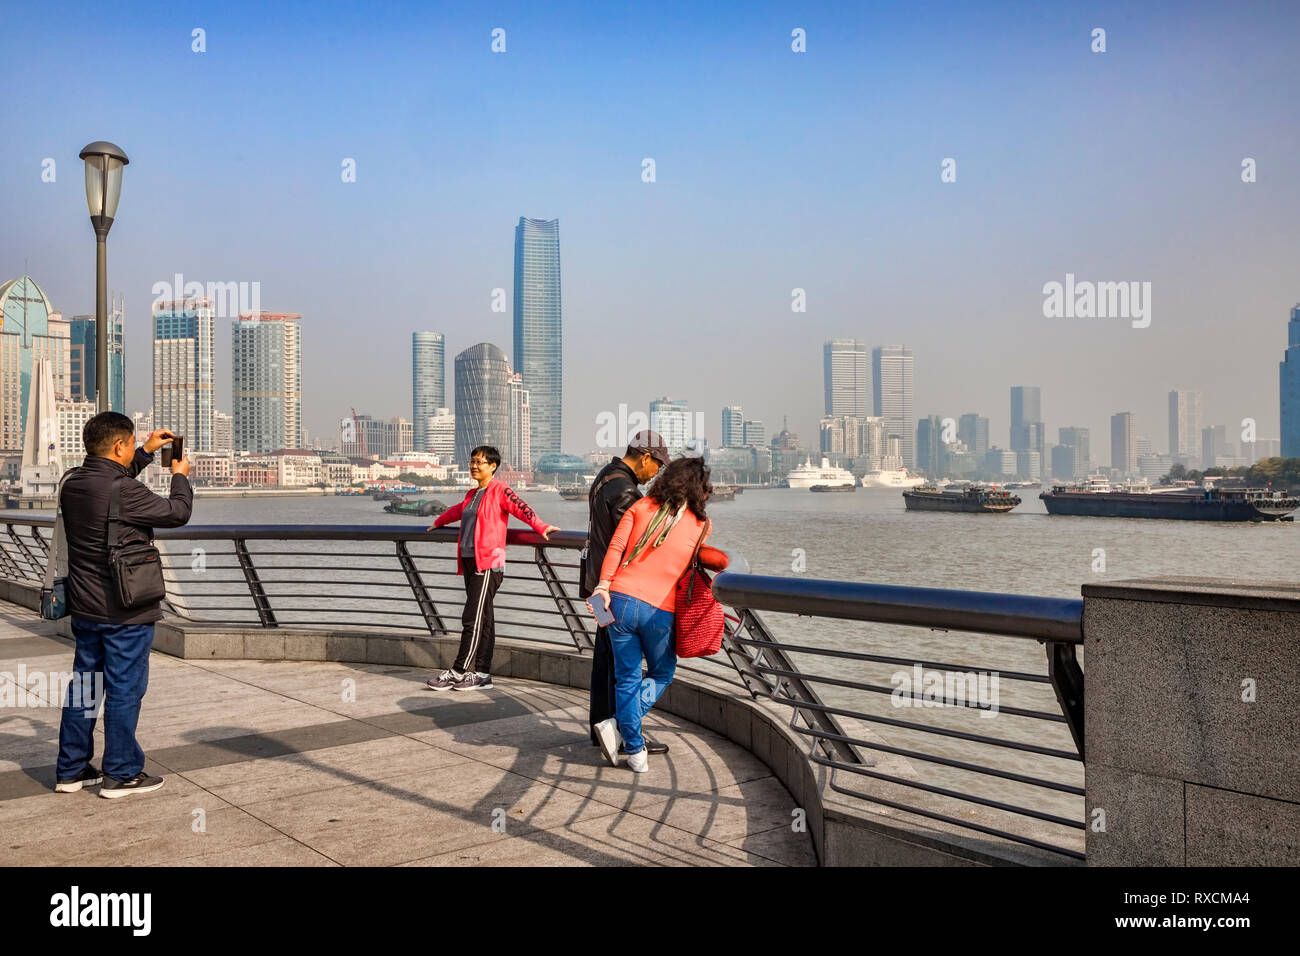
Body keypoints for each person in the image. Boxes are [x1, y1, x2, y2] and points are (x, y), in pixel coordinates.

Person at [54, 413, 193, 798]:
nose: (133, 450)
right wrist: (179, 475)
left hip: (85, 607)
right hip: (125, 609)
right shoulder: (123, 490)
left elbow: (112, 483)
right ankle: (122, 773)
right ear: (119, 446)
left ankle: (72, 770)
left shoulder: (73, 483)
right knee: (124, 689)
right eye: (131, 445)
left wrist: (147, 451)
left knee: (85, 686)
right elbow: (177, 513)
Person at [588, 456, 712, 772]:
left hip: (620, 600)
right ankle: (620, 729)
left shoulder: (640, 508)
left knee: (626, 676)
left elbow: (615, 548)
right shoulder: (701, 525)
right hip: (661, 609)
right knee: (661, 673)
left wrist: (603, 585)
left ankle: (635, 749)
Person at [425, 446, 558, 691]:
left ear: (493, 466)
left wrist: (541, 526)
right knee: (484, 619)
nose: (474, 466)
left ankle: (458, 670)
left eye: (480, 462)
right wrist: (438, 522)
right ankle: (483, 674)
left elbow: (522, 508)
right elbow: (459, 512)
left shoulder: (500, 490)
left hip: (488, 563)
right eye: (472, 461)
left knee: (472, 617)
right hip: (469, 560)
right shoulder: (472, 494)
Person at [579, 431, 670, 755]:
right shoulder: (626, 491)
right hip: (615, 590)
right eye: (657, 465)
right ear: (645, 456)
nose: (656, 473)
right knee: (622, 664)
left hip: (596, 585)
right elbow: (633, 543)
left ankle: (602, 729)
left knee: (606, 659)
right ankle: (621, 732)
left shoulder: (606, 476)